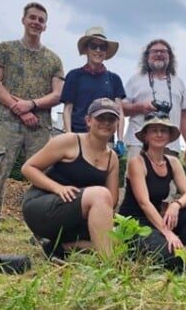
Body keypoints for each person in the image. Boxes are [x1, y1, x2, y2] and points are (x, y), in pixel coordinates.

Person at [0, 2, 64, 244]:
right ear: (23, 20)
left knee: (43, 178)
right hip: (7, 124)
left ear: (46, 26)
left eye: (41, 20)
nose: (36, 23)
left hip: (39, 127)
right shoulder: (5, 50)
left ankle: (42, 232)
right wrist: (17, 108)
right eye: (32, 17)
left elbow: (57, 95)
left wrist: (30, 105)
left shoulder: (53, 60)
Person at [21, 98, 121, 259]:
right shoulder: (70, 141)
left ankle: (58, 247)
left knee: (118, 238)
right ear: (88, 121)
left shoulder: (112, 158)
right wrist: (57, 188)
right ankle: (109, 264)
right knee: (99, 195)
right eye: (100, 118)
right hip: (43, 205)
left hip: (77, 216)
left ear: (117, 124)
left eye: (111, 119)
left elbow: (112, 200)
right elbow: (28, 168)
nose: (106, 123)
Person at [118, 113, 186, 271]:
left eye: (163, 130)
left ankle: (182, 248)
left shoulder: (172, 162)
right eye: (154, 130)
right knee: (167, 253)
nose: (159, 134)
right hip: (136, 222)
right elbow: (144, 203)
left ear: (169, 136)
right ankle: (169, 251)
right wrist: (167, 232)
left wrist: (176, 205)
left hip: (158, 218)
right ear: (145, 135)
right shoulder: (137, 162)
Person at [122, 39, 186, 165]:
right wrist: (139, 107)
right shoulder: (135, 80)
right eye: (154, 51)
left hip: (170, 145)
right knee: (134, 182)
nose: (159, 54)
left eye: (163, 52)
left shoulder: (178, 82)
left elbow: (184, 117)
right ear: (147, 57)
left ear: (170, 57)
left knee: (169, 184)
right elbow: (121, 109)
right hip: (138, 144)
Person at [62, 26, 126, 153]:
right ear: (86, 49)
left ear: (106, 51)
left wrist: (120, 139)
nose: (98, 50)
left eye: (102, 47)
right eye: (93, 46)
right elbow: (67, 109)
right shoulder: (74, 76)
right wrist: (69, 135)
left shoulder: (114, 79)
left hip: (105, 138)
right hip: (78, 136)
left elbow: (120, 112)